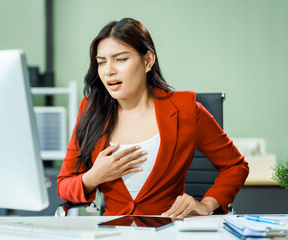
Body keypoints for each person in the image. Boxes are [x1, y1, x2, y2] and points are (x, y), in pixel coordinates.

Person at [57, 17, 249, 217]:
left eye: (121, 59)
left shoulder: (186, 109)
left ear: (148, 60)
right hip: (113, 232)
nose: (109, 71)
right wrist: (93, 177)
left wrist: (208, 204)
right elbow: (64, 185)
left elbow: (236, 166)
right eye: (101, 62)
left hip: (169, 230)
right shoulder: (91, 110)